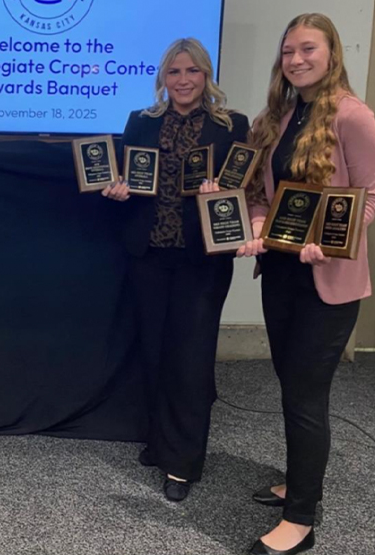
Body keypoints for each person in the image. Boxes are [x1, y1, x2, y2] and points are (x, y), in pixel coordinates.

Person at [235, 13, 375, 555]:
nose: (296, 60)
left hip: (328, 280)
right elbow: (257, 193)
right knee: (289, 383)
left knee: (305, 395)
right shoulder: (275, 116)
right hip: (278, 272)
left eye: (307, 49)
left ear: (331, 53)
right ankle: (300, 481)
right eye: (288, 51)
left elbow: (371, 197)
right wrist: (255, 225)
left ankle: (300, 519)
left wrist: (333, 237)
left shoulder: (353, 116)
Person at [101, 37, 249, 502]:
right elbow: (126, 178)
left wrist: (219, 194)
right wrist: (117, 191)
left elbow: (244, 195)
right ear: (162, 79)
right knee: (155, 351)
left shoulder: (233, 127)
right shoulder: (139, 123)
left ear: (206, 77)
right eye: (174, 72)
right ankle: (161, 440)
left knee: (190, 359)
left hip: (201, 260)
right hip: (149, 254)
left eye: (192, 72)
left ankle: (183, 463)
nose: (183, 80)